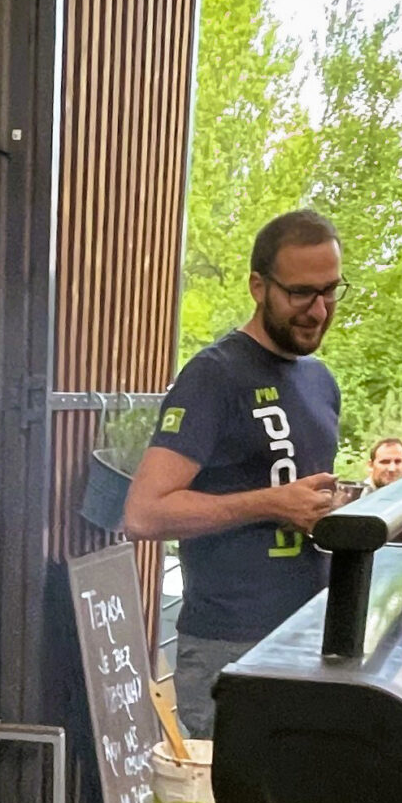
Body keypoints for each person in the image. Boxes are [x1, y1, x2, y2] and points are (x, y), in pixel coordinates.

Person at [125, 210, 343, 739]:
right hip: (230, 648)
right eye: (301, 293)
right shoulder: (214, 376)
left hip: (310, 639)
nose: (318, 310)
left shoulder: (321, 381)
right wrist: (269, 503)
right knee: (232, 798)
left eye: (330, 291)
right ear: (258, 286)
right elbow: (144, 513)